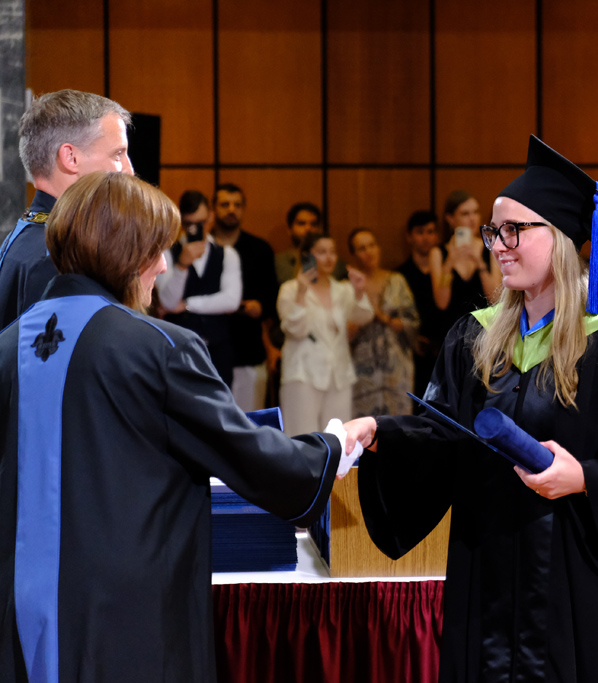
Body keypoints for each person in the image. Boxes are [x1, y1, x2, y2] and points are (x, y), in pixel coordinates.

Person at [342, 136, 598, 682]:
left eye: (513, 230)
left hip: (581, 579)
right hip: (491, 575)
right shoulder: (474, 338)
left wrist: (585, 478)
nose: (497, 245)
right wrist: (382, 433)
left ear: (562, 236)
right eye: (493, 231)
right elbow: (443, 438)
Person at [0, 172, 344, 682]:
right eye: (155, 250)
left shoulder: (7, 345)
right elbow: (248, 456)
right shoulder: (160, 347)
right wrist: (334, 446)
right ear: (125, 251)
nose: (163, 265)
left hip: (15, 607)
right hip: (124, 615)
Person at [0, 89, 133, 328]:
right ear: (70, 157)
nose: (129, 170)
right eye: (118, 154)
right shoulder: (60, 254)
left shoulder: (25, 234)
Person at [277, 233, 373, 435]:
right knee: (302, 437)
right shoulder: (290, 289)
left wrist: (359, 292)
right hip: (302, 374)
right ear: (307, 255)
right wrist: (301, 293)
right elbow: (296, 330)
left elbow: (363, 316)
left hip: (339, 374)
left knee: (338, 438)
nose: (329, 258)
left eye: (332, 252)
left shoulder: (342, 289)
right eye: (321, 252)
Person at [156, 190, 242, 386]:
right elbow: (168, 302)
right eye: (189, 224)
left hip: (218, 351)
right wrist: (182, 266)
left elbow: (231, 301)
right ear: (181, 221)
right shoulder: (167, 254)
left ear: (211, 217)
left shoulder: (227, 254)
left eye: (201, 222)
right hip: (179, 351)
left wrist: (187, 304)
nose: (195, 229)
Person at [210, 183, 279, 411]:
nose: (232, 210)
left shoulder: (260, 249)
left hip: (248, 349)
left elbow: (273, 297)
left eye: (237, 205)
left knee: (248, 420)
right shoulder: (200, 248)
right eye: (225, 204)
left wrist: (261, 307)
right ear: (213, 209)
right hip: (207, 350)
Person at [347, 227, 420, 417]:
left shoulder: (397, 281)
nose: (369, 252)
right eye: (362, 248)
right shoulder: (347, 287)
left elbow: (412, 322)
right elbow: (343, 333)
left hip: (396, 364)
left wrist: (386, 318)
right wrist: (363, 317)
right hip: (361, 366)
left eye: (372, 245)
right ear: (354, 254)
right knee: (363, 423)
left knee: (397, 422)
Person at [429, 190, 502, 333]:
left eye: (475, 212)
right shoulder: (438, 253)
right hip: (451, 331)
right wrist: (449, 263)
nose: (472, 218)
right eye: (465, 214)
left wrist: (480, 263)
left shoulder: (490, 249)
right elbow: (441, 303)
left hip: (484, 332)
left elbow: (495, 299)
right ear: (450, 218)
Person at [396, 210, 445, 397]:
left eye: (431, 232)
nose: (426, 238)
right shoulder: (400, 275)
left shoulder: (446, 272)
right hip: (413, 353)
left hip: (443, 349)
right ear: (409, 237)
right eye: (420, 232)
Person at [274, 202, 347, 285]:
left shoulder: (335, 262)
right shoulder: (278, 262)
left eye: (313, 224)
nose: (308, 228)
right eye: (301, 223)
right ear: (290, 229)